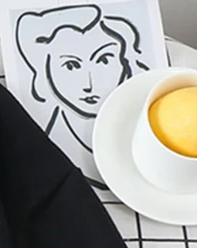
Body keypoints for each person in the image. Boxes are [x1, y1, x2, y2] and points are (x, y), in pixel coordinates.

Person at [16, 4, 149, 184]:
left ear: (125, 63)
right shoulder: (41, 156)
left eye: (103, 60)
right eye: (71, 65)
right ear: (45, 69)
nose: (89, 84)